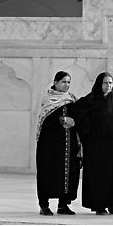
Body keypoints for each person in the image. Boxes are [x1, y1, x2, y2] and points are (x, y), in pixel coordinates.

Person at [71, 72, 113, 215]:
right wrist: (89, 128)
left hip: (112, 144)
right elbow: (77, 111)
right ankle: (99, 206)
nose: (108, 86)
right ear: (99, 83)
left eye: (110, 83)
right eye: (105, 83)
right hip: (95, 145)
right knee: (98, 174)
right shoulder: (91, 99)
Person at [35, 71, 80, 216]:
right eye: (63, 82)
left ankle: (63, 205)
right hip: (50, 146)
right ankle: (44, 206)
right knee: (48, 173)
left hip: (68, 145)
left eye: (68, 82)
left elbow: (80, 116)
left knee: (67, 173)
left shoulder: (72, 99)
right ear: (55, 82)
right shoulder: (48, 100)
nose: (66, 85)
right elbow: (44, 122)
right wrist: (63, 120)